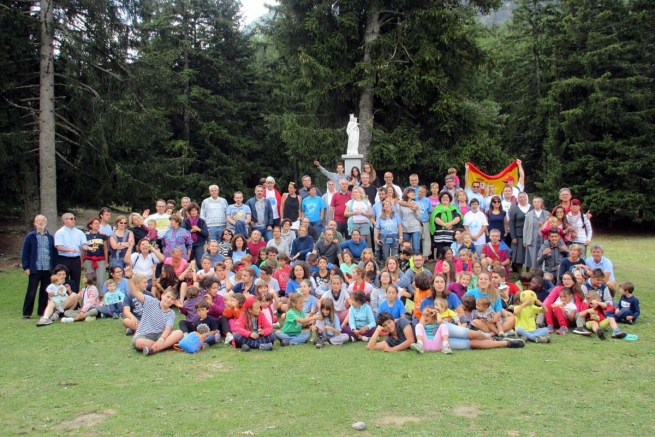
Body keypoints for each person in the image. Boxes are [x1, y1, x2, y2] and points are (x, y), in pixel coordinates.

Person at [127, 273, 184, 355]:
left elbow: (168, 328)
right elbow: (134, 292)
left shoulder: (171, 313)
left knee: (179, 332)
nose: (169, 300)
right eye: (168, 297)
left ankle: (154, 349)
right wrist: (129, 277)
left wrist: (161, 339)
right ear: (162, 296)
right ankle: (165, 346)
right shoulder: (150, 301)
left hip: (160, 335)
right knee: (139, 342)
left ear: (174, 302)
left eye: (172, 299)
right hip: (144, 335)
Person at [22, 214, 59, 319]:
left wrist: (55, 268)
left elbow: (54, 254)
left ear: (45, 223)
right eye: (38, 221)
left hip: (47, 269)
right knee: (31, 291)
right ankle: (26, 313)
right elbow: (25, 253)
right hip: (35, 269)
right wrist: (26, 267)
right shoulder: (31, 237)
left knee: (45, 291)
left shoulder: (50, 237)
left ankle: (42, 310)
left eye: (42, 221)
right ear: (35, 223)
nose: (40, 222)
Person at [55, 212, 90, 294]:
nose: (73, 220)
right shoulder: (60, 232)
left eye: (74, 218)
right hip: (64, 259)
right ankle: (64, 300)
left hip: (76, 259)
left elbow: (84, 245)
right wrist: (69, 250)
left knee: (76, 280)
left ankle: (75, 301)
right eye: (71, 219)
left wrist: (89, 248)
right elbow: (58, 247)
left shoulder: (79, 232)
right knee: (64, 279)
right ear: (64, 220)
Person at [429, 192, 462, 258]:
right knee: (441, 253)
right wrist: (445, 224)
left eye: (446, 197)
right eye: (443, 197)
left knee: (451, 252)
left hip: (451, 235)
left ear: (450, 199)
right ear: (440, 199)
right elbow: (435, 218)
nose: (445, 198)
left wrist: (450, 223)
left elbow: (458, 218)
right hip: (440, 235)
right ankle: (440, 265)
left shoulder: (454, 208)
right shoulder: (437, 208)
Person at [82, 217, 108, 292]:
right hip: (89, 259)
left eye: (98, 223)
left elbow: (105, 249)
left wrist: (106, 262)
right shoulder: (86, 236)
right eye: (95, 223)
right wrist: (82, 262)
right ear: (90, 225)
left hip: (100, 259)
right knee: (89, 279)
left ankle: (101, 297)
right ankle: (90, 296)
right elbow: (83, 250)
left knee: (101, 280)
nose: (97, 225)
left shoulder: (102, 235)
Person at [523, 197, 549, 270]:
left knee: (543, 252)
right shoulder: (529, 214)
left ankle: (543, 269)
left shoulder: (547, 213)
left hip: (543, 237)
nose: (536, 203)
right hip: (532, 237)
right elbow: (526, 228)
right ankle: (535, 270)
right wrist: (525, 240)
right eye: (535, 202)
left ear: (541, 203)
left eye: (538, 202)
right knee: (533, 254)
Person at [508, 192, 532, 272]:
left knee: (529, 254)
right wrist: (513, 237)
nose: (522, 199)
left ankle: (529, 271)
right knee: (519, 255)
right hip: (519, 235)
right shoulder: (515, 209)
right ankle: (520, 272)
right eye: (520, 197)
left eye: (523, 197)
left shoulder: (532, 208)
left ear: (526, 198)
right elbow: (511, 224)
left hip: (530, 235)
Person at [398, 188, 422, 254]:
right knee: (406, 247)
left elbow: (420, 217)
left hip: (415, 228)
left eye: (414, 193)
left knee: (416, 247)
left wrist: (415, 211)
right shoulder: (401, 205)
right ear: (407, 194)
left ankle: (416, 261)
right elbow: (400, 217)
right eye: (411, 192)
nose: (413, 194)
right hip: (405, 229)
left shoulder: (416, 204)